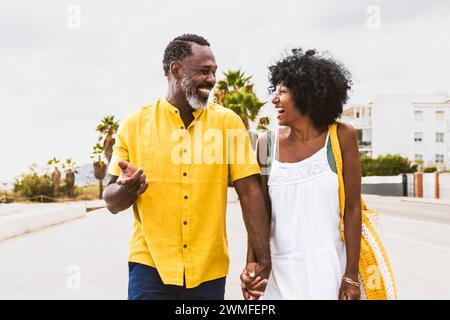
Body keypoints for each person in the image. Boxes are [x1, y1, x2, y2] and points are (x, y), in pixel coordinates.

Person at [103, 34, 271, 300]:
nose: (212, 80)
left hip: (208, 269)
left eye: (214, 72)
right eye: (204, 72)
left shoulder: (228, 123)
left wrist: (262, 259)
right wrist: (128, 189)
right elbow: (110, 201)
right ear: (175, 69)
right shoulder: (133, 125)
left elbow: (250, 194)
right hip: (150, 266)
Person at [241, 48, 361, 300]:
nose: (274, 99)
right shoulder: (265, 144)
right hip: (280, 276)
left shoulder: (342, 137)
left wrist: (350, 275)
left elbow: (352, 209)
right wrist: (252, 267)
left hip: (329, 270)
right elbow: (258, 214)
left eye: (282, 91)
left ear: (307, 94)